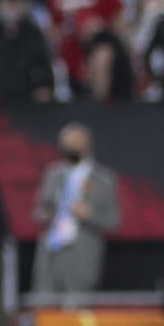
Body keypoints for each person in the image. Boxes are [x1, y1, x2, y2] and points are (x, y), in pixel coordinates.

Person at [31, 124, 119, 300]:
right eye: (65, 145)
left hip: (81, 256)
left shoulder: (104, 179)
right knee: (44, 310)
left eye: (73, 144)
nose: (68, 149)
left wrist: (89, 215)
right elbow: (38, 211)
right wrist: (45, 214)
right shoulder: (53, 174)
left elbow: (113, 221)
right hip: (50, 254)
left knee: (77, 314)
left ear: (86, 145)